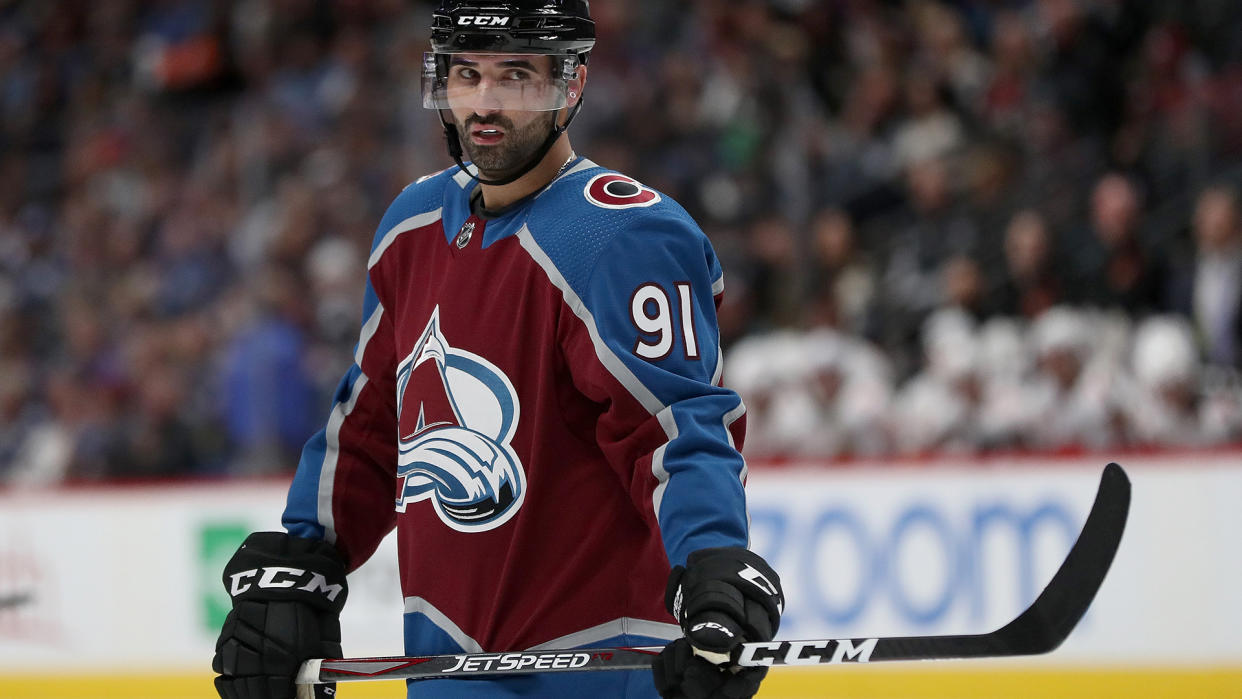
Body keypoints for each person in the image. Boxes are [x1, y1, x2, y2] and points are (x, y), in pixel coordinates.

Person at [211, 2, 784, 699]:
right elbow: (369, 427)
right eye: (466, 74)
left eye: (515, 76)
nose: (484, 102)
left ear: (569, 86)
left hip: (605, 665)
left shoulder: (623, 237)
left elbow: (678, 430)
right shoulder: (412, 228)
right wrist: (306, 558)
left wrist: (713, 562)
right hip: (447, 668)